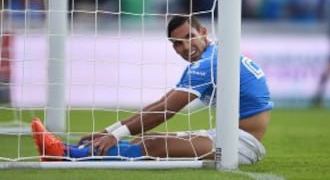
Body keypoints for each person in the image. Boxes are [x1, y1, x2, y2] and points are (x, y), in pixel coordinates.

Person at [31, 15, 273, 164]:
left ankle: (65, 154)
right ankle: (69, 151)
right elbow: (163, 102)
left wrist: (115, 135)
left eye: (189, 37)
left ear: (203, 33)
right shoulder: (211, 56)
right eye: (177, 43)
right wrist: (110, 129)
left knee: (154, 147)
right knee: (146, 139)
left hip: (243, 144)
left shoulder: (208, 63)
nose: (185, 46)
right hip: (225, 134)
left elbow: (167, 110)